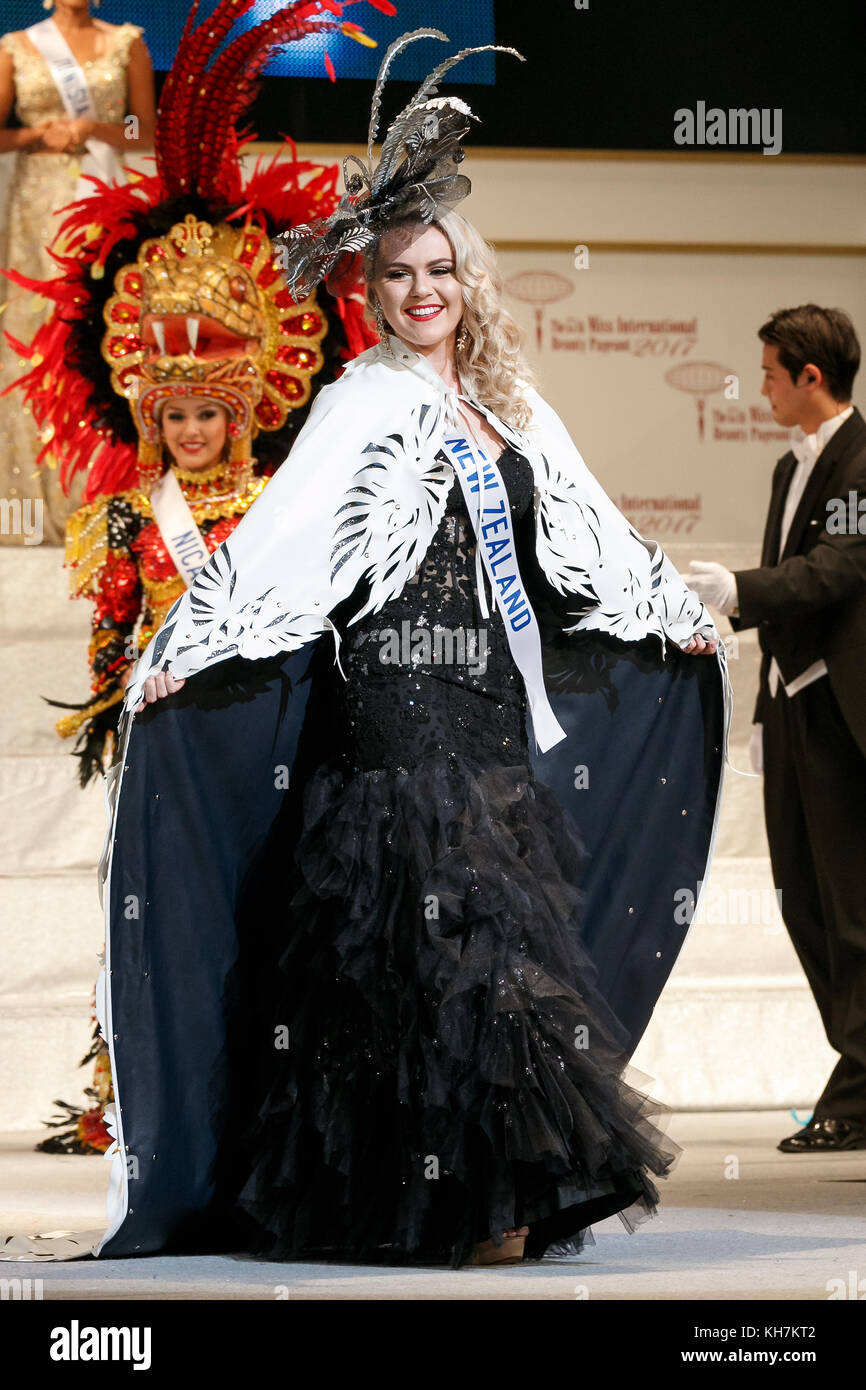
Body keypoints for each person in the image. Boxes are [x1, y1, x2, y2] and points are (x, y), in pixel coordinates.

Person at [83, 29, 729, 1270]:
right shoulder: (355, 404)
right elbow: (278, 562)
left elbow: (590, 543)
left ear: (465, 278)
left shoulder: (516, 408)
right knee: (409, 971)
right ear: (366, 291)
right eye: (396, 275)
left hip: (488, 726)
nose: (420, 291)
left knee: (499, 971)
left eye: (437, 270)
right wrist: (190, 648)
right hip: (382, 727)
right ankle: (444, 1207)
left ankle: (488, 1192)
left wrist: (674, 610)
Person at [2, 0, 379, 1161]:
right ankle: (134, 1081)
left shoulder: (281, 500)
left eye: (215, 409)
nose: (199, 426)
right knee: (150, 908)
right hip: (161, 741)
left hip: (261, 728)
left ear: (250, 408)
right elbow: (116, 633)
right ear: (149, 412)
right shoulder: (122, 515)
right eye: (178, 411)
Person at [686, 305, 866, 1154]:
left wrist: (736, 592)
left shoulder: (864, 461)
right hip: (794, 708)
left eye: (768, 373)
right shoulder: (783, 469)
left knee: (853, 906)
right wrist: (763, 711)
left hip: (846, 715)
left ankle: (861, 1088)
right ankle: (860, 1067)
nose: (758, 386)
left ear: (810, 378)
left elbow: (835, 571)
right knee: (801, 900)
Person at [0, 0, 156, 544]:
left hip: (102, 196)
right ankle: (31, 500)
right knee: (32, 334)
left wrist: (95, 128)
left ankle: (99, 491)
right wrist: (37, 136)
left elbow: (142, 129)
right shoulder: (17, 45)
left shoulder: (128, 41)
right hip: (36, 205)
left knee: (91, 330)